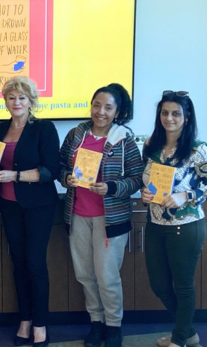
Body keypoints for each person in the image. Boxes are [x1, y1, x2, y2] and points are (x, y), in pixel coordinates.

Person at [59, 83, 143, 347]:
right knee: (85, 274)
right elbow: (60, 165)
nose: (100, 112)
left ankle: (114, 324)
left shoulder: (124, 139)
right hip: (78, 215)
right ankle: (96, 322)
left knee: (107, 276)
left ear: (117, 111)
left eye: (108, 107)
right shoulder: (77, 134)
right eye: (97, 105)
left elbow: (137, 178)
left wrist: (112, 187)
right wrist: (67, 178)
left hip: (110, 220)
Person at [0, 76, 60, 347]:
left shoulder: (44, 128)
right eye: (11, 97)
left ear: (31, 101)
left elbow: (50, 171)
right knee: (18, 263)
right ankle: (25, 319)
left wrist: (14, 175)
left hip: (39, 206)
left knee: (35, 263)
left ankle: (40, 324)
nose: (16, 102)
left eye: (22, 97)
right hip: (8, 204)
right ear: (5, 101)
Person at [141, 91, 207, 347]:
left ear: (186, 117)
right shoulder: (152, 146)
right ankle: (188, 333)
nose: (169, 118)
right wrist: (145, 194)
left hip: (186, 227)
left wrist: (185, 195)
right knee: (159, 285)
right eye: (165, 113)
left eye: (175, 113)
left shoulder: (198, 149)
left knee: (183, 287)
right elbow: (147, 180)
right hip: (155, 224)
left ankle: (179, 340)